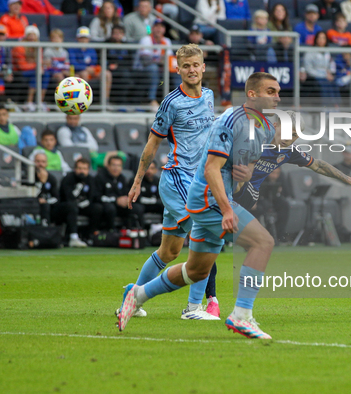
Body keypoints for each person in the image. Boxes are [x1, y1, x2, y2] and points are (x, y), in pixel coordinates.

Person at [118, 72, 279, 339]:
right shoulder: (231, 119)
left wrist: (247, 172)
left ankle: (136, 294)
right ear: (252, 94)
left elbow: (247, 167)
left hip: (219, 196)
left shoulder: (266, 128)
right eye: (271, 91)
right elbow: (211, 168)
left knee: (195, 271)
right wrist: (227, 209)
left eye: (278, 91)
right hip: (207, 198)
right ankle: (241, 315)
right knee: (263, 242)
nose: (277, 97)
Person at [120, 44, 219, 321]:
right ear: (178, 69)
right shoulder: (171, 103)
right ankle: (193, 308)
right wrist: (137, 181)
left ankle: (132, 298)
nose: (191, 70)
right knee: (206, 233)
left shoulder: (210, 96)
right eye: (185, 66)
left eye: (195, 64)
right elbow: (152, 144)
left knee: (169, 251)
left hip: (198, 182)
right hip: (177, 179)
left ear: (202, 67)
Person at [233, 110, 351, 211]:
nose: (288, 138)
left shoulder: (290, 151)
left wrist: (349, 179)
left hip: (248, 193)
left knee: (240, 174)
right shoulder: (256, 137)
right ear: (275, 125)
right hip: (231, 186)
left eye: (294, 135)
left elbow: (318, 165)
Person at [33, 151, 88, 248]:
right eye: (38, 161)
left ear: (46, 164)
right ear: (33, 162)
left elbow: (56, 198)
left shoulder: (51, 178)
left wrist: (46, 201)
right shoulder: (29, 177)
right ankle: (44, 236)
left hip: (51, 209)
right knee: (44, 206)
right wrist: (41, 184)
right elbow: (28, 197)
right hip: (34, 209)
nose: (40, 164)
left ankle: (73, 237)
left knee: (70, 206)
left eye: (43, 161)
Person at [134, 19, 176, 109]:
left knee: (176, 70)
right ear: (152, 28)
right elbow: (145, 60)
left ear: (164, 30)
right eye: (157, 26)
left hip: (160, 69)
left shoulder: (166, 41)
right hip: (141, 69)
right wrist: (161, 60)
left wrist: (159, 60)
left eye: (161, 27)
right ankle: (151, 100)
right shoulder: (146, 39)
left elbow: (170, 59)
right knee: (153, 68)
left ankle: (180, 100)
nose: (159, 29)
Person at [96, 155, 144, 230]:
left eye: (119, 166)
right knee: (110, 209)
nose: (116, 168)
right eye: (113, 165)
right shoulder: (100, 177)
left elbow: (126, 192)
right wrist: (116, 200)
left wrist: (126, 199)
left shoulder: (122, 178)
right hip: (107, 205)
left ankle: (138, 232)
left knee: (137, 208)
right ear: (108, 166)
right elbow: (97, 197)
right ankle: (111, 232)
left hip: (120, 206)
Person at [60, 157, 104, 235]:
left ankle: (89, 235)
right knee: (72, 206)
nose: (82, 171)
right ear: (75, 169)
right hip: (69, 206)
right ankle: (73, 235)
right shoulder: (68, 178)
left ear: (88, 170)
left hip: (84, 206)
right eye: (79, 168)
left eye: (84, 169)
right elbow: (67, 197)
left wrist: (83, 204)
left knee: (98, 208)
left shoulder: (91, 180)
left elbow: (91, 197)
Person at [12, 25, 50, 112]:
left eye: (34, 35)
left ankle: (40, 102)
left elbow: (39, 63)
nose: (32, 38)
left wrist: (39, 65)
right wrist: (38, 65)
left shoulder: (38, 47)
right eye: (30, 35)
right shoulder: (19, 47)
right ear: (26, 36)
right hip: (19, 72)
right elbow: (22, 66)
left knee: (45, 73)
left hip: (32, 70)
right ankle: (29, 102)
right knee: (37, 72)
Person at [69, 27, 112, 101]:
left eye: (85, 38)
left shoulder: (91, 49)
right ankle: (83, 101)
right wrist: (85, 68)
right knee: (84, 74)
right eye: (81, 38)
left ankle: (105, 100)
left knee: (107, 74)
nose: (83, 40)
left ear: (88, 39)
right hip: (78, 72)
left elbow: (94, 62)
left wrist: (91, 69)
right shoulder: (72, 49)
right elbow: (73, 64)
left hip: (91, 72)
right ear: (77, 38)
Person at [302, 31, 340, 102]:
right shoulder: (310, 52)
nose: (321, 40)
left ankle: (336, 105)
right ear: (316, 39)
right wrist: (324, 75)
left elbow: (329, 65)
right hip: (314, 76)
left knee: (334, 82)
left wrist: (329, 73)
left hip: (325, 75)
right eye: (319, 38)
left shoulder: (327, 52)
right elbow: (308, 69)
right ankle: (325, 106)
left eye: (323, 38)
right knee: (324, 83)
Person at [107, 24, 134, 103]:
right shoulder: (107, 44)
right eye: (115, 33)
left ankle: (125, 102)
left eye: (119, 33)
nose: (117, 35)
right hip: (111, 70)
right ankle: (121, 102)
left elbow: (129, 61)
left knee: (126, 75)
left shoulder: (127, 46)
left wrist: (118, 65)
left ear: (123, 34)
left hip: (123, 69)